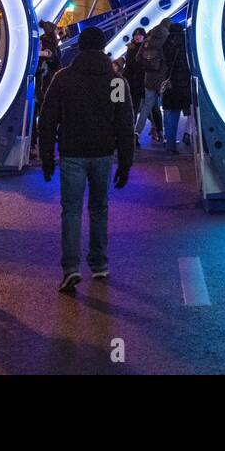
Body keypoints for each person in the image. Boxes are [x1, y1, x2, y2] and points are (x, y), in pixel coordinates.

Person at [39, 25, 134, 295]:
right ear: (103, 48)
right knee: (99, 209)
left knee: (71, 211)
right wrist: (125, 163)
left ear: (80, 47)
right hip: (103, 153)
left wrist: (47, 158)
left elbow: (47, 121)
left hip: (72, 153)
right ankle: (99, 262)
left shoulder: (64, 79)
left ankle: (71, 268)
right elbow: (123, 124)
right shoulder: (115, 82)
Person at [132, 21, 171, 142]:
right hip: (162, 79)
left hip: (148, 79)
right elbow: (168, 60)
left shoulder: (147, 40)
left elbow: (138, 58)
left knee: (146, 107)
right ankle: (163, 134)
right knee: (164, 107)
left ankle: (137, 132)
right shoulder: (166, 40)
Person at [161, 22, 193, 154]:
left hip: (168, 84)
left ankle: (170, 144)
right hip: (183, 85)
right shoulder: (186, 44)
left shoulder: (165, 44)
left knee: (169, 115)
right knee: (184, 114)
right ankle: (185, 138)